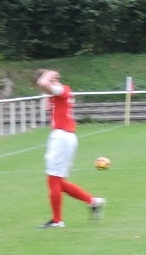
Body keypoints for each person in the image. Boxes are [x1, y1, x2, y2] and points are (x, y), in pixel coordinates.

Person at [33, 68, 105, 226]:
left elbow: (42, 82)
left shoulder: (61, 90)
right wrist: (47, 88)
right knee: (56, 181)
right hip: (65, 137)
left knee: (53, 179)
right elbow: (46, 107)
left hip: (61, 137)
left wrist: (48, 75)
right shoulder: (60, 91)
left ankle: (57, 220)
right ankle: (93, 202)